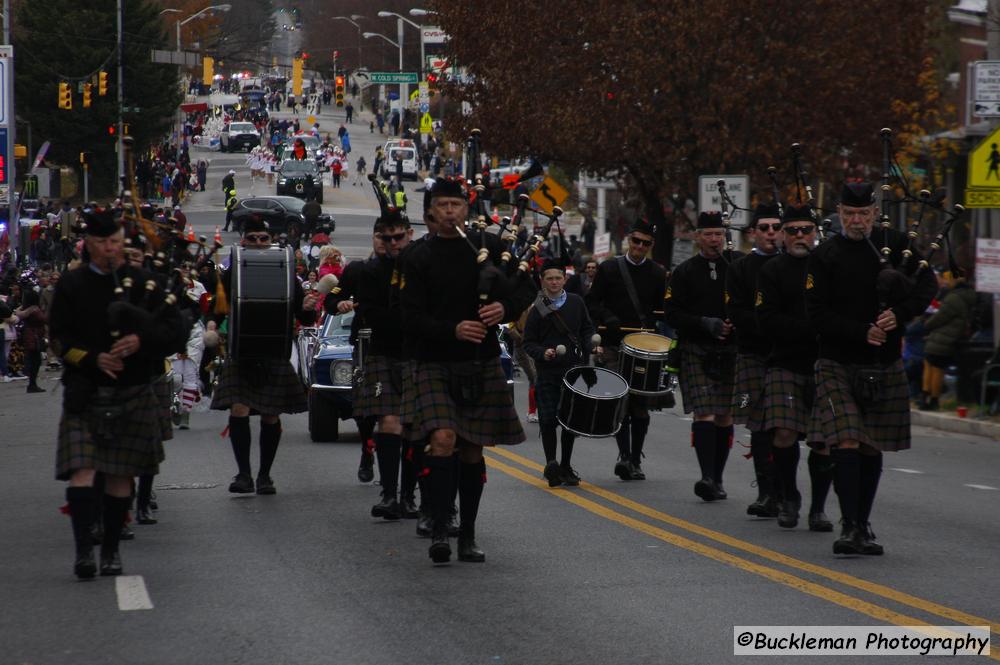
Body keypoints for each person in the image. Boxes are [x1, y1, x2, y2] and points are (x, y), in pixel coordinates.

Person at [399, 177, 533, 564]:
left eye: (456, 205)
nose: (450, 212)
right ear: (429, 213)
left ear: (465, 209)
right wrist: (452, 328)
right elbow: (410, 316)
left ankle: (468, 535)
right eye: (442, 205)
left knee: (472, 451)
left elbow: (525, 287)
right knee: (442, 439)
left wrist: (504, 311)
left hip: (480, 360)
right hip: (434, 360)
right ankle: (440, 527)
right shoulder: (417, 257)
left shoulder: (490, 247)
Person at [50, 211, 187, 578]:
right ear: (88, 245)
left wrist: (142, 340)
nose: (109, 250)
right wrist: (94, 359)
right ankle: (83, 552)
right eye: (102, 244)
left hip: (133, 389)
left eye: (115, 243)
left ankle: (110, 551)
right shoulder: (72, 284)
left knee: (120, 477)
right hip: (86, 391)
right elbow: (59, 339)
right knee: (82, 472)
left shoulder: (145, 284)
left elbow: (174, 333)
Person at [806, 181, 936, 555]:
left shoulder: (895, 245)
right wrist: (862, 331)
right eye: (849, 214)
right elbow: (816, 314)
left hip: (883, 362)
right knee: (847, 438)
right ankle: (848, 526)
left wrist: (899, 314)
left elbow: (928, 285)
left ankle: (862, 523)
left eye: (863, 214)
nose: (857, 221)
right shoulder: (825, 255)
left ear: (874, 212)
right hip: (837, 360)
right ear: (840, 213)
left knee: (870, 444)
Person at [211, 218, 319, 495]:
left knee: (270, 415)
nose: (258, 243)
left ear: (271, 240)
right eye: (252, 238)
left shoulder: (286, 272)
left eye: (263, 238)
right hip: (242, 351)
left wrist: (308, 308)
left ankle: (265, 476)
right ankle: (243, 474)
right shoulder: (230, 271)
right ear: (243, 240)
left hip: (274, 349)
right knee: (239, 409)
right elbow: (218, 308)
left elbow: (301, 314)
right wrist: (212, 322)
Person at [755, 204, 833, 532]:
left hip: (824, 363)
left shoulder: (828, 266)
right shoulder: (771, 271)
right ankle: (788, 498)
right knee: (784, 435)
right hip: (785, 361)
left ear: (816, 233)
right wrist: (811, 329)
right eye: (792, 230)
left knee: (823, 441)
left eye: (806, 230)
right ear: (783, 235)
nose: (800, 236)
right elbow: (766, 318)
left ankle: (818, 509)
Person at [664, 212, 740, 501]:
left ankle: (718, 478)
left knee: (724, 415)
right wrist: (704, 323)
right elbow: (672, 313)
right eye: (708, 234)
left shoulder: (737, 265)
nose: (714, 240)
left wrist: (735, 322)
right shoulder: (684, 271)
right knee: (704, 412)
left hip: (731, 349)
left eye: (719, 234)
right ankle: (706, 476)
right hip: (696, 348)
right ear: (698, 236)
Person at [585, 220, 667, 480]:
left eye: (646, 243)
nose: (640, 247)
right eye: (636, 241)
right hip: (613, 344)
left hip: (644, 347)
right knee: (619, 401)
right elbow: (592, 302)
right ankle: (623, 455)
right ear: (628, 241)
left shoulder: (657, 273)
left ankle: (635, 458)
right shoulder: (609, 268)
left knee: (640, 405)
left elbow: (662, 309)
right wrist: (607, 316)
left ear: (651, 245)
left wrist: (655, 325)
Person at [355, 211, 419, 520]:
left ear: (410, 234)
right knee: (390, 422)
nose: (393, 243)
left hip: (418, 353)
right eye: (387, 238)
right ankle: (389, 494)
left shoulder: (423, 264)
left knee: (413, 428)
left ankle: (408, 496)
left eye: (399, 237)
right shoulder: (370, 271)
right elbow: (367, 309)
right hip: (384, 351)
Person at [725, 203, 782, 516]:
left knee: (787, 426)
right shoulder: (740, 268)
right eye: (765, 228)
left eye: (776, 227)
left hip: (788, 354)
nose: (771, 233)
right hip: (754, 352)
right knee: (760, 424)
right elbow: (737, 311)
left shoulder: (795, 264)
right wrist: (769, 326)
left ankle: (786, 491)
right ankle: (766, 492)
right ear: (753, 233)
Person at [523, 258, 599, 487]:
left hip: (573, 370)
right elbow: (529, 342)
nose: (554, 282)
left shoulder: (576, 302)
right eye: (550, 278)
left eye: (558, 278)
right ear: (542, 280)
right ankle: (552, 464)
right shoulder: (537, 308)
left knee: (569, 421)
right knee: (547, 421)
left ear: (565, 279)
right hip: (548, 372)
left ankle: (566, 465)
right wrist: (542, 352)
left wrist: (592, 344)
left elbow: (587, 329)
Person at [921, 270, 976, 411]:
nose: (946, 282)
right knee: (934, 366)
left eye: (948, 279)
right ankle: (930, 397)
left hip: (942, 338)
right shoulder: (968, 296)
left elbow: (939, 317)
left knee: (932, 366)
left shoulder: (953, 298)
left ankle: (930, 399)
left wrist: (926, 324)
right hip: (951, 338)